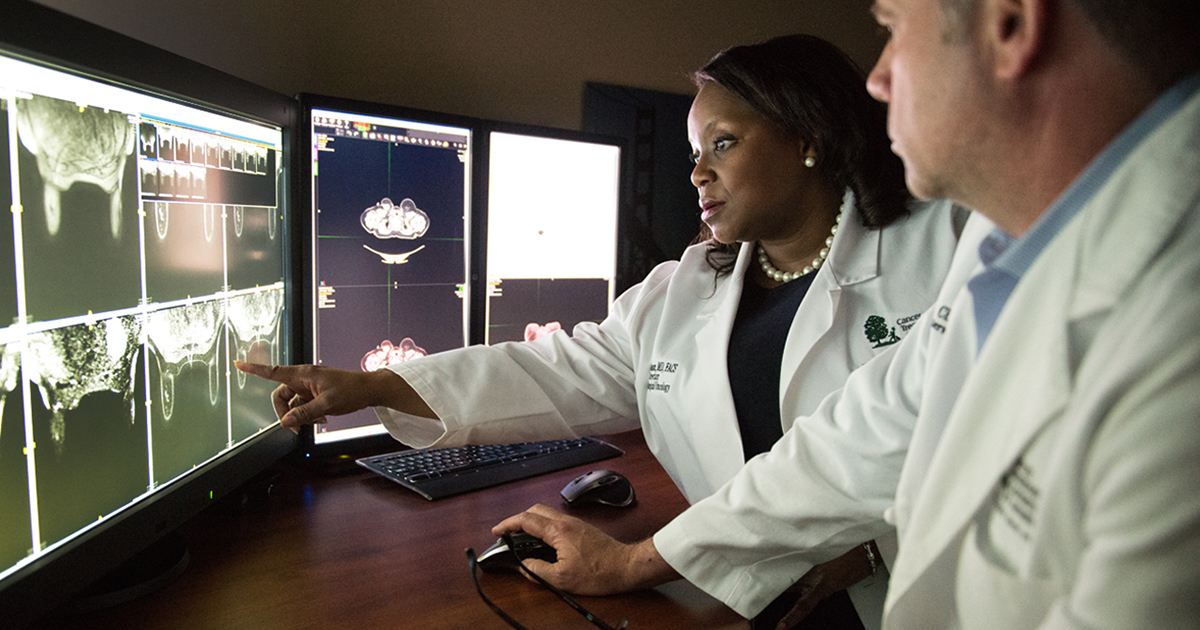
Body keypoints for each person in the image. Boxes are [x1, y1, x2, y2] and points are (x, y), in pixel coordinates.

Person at [495, 0, 1200, 628]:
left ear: (1011, 24)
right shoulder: (1007, 237)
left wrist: (646, 561)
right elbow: (854, 437)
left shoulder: (1171, 330)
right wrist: (641, 562)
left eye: (893, 28)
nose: (879, 79)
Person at [238, 34, 966, 629]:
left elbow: (924, 444)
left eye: (723, 143)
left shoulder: (939, 251)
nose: (698, 175)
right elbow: (554, 370)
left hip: (913, 593)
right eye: (692, 154)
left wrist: (870, 548)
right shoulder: (686, 291)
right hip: (751, 597)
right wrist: (370, 386)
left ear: (808, 136)